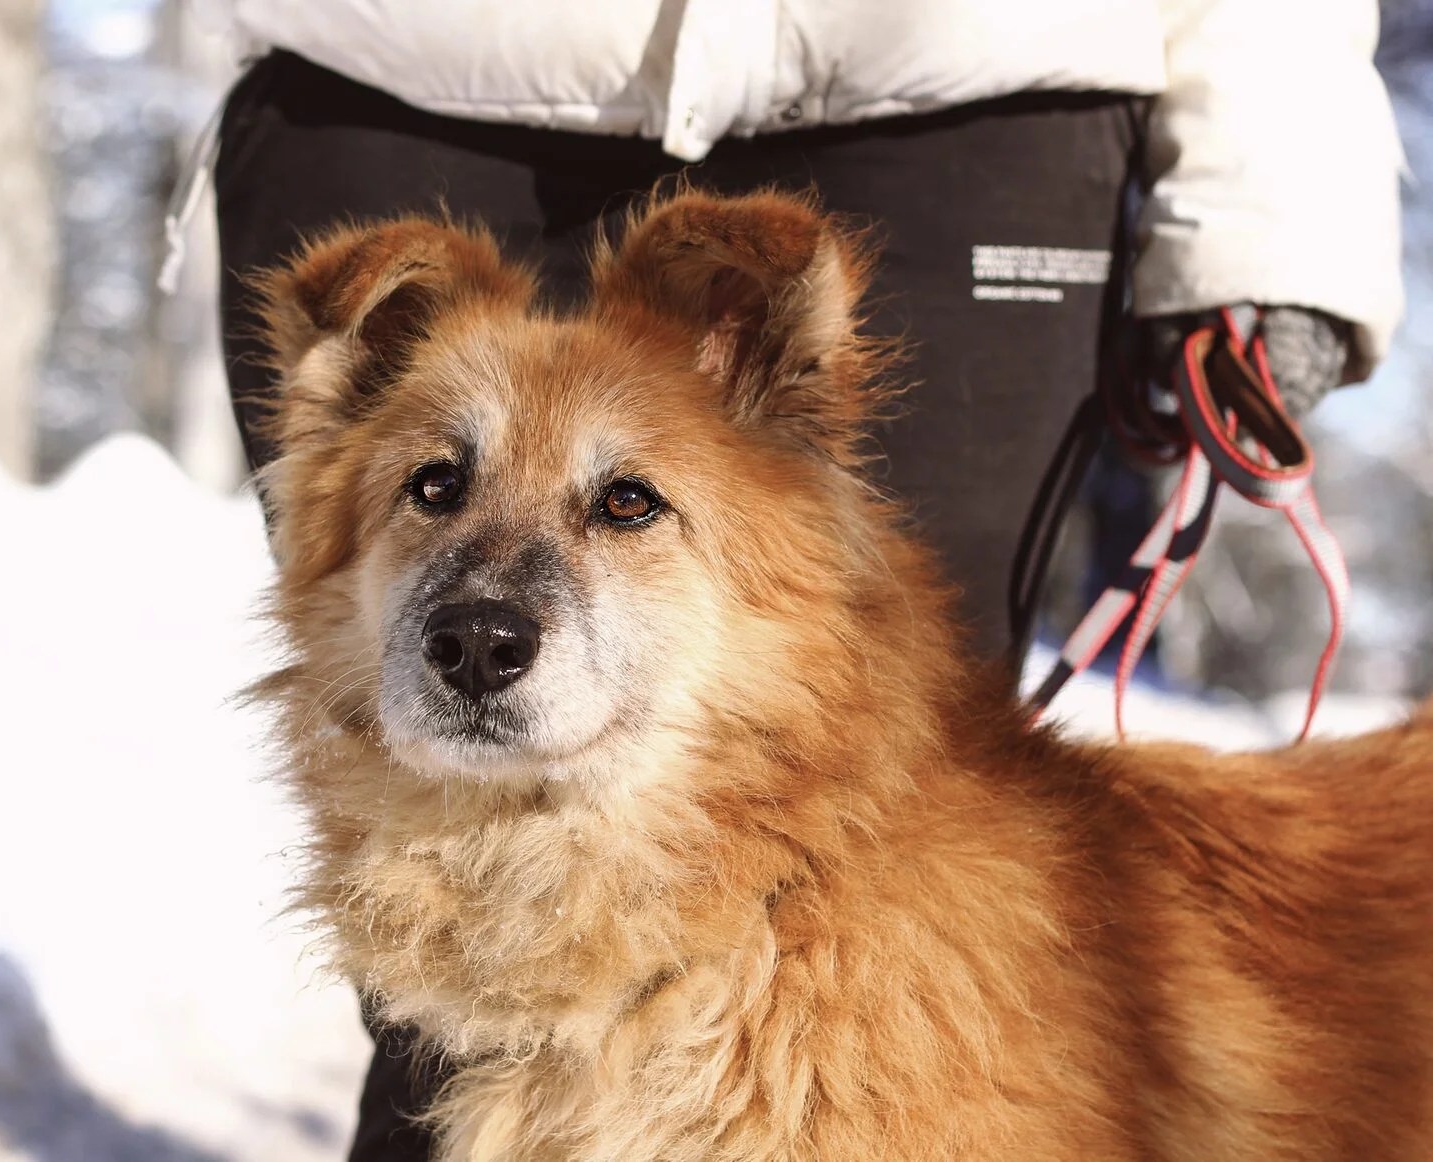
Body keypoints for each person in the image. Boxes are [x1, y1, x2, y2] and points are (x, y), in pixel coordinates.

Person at [198, 4, 1403, 1158]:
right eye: (435, 488)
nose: (482, 613)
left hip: (964, 85)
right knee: (425, 1052)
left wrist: (1272, 216)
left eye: (626, 504)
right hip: (414, 64)